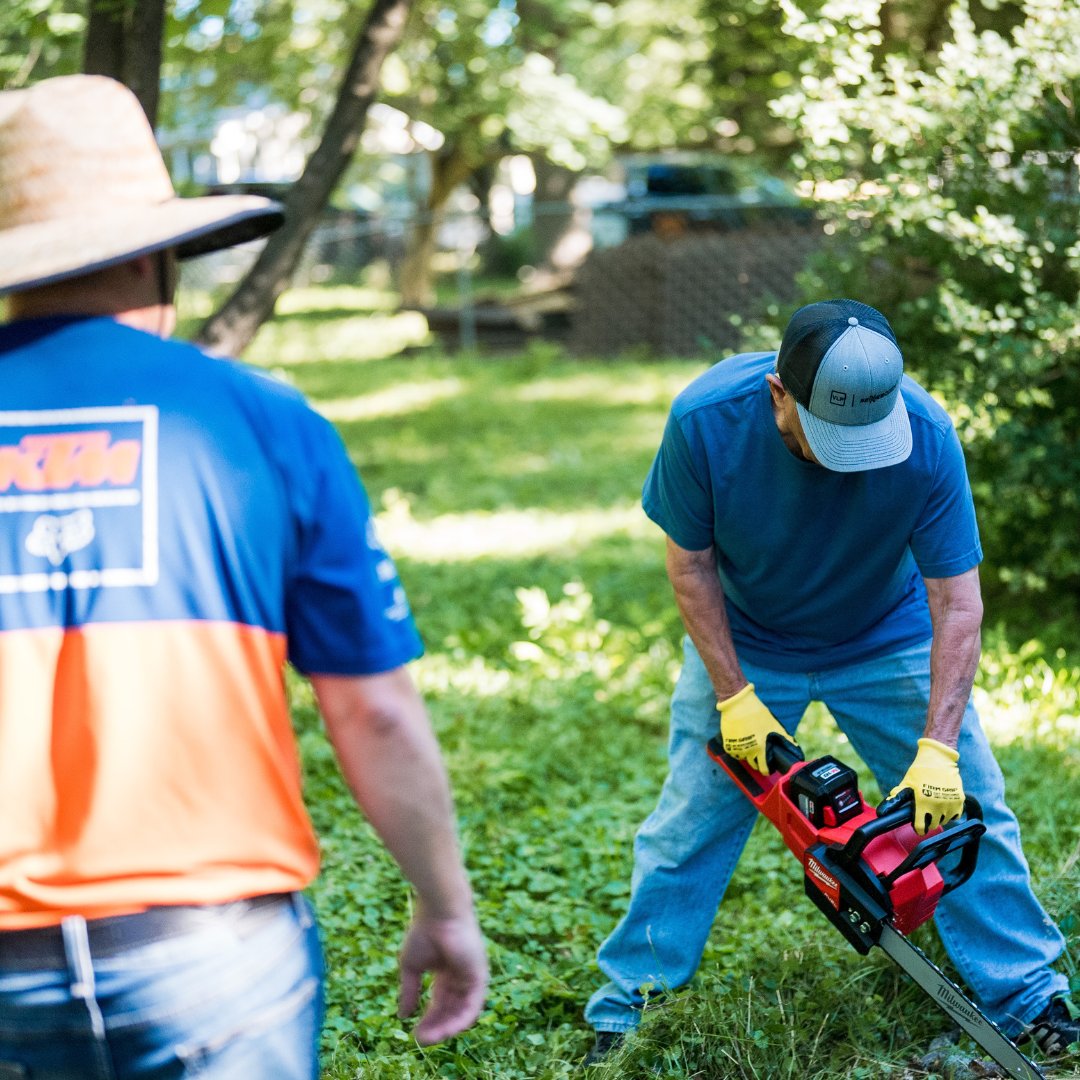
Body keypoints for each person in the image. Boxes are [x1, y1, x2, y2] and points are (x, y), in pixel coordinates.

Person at [0, 75, 487, 1079]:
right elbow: (378, 712)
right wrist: (445, 907)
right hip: (209, 960)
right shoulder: (266, 422)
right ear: (157, 251)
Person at [583, 298, 1078, 1064]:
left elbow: (958, 600)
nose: (846, 456)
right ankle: (626, 1007)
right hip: (749, 645)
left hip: (887, 636)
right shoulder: (706, 420)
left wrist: (939, 749)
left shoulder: (926, 437)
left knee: (968, 804)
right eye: (827, 437)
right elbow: (691, 562)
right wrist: (733, 694)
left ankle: (1027, 994)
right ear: (779, 392)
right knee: (688, 825)